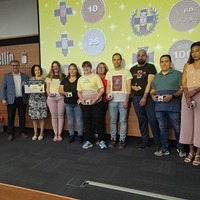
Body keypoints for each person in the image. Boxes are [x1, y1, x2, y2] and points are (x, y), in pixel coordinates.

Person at [150, 54, 186, 157]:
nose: (164, 63)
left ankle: (181, 148)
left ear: (170, 63)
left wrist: (173, 95)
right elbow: (153, 90)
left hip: (173, 106)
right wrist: (152, 96)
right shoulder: (156, 77)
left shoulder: (178, 74)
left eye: (166, 61)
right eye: (162, 61)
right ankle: (164, 148)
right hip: (159, 107)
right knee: (162, 128)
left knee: (177, 128)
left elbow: (182, 89)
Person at [130, 49, 160, 149]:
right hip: (136, 97)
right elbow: (129, 84)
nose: (140, 57)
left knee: (153, 119)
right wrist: (132, 87)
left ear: (146, 57)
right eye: (138, 55)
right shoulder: (132, 69)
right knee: (142, 120)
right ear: (136, 57)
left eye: (143, 55)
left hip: (148, 97)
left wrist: (144, 97)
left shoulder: (150, 67)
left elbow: (150, 83)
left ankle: (157, 142)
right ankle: (145, 141)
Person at [77, 61, 106, 149]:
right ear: (82, 68)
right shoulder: (80, 79)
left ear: (90, 68)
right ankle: (89, 141)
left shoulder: (95, 77)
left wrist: (96, 99)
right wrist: (82, 100)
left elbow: (102, 89)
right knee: (87, 122)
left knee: (98, 121)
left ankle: (101, 140)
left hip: (96, 103)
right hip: (85, 104)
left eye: (88, 66)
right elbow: (79, 92)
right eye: (84, 66)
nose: (86, 68)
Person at [106, 53, 132, 149]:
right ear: (112, 61)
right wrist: (107, 95)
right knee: (113, 121)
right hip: (112, 101)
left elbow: (129, 88)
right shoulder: (109, 73)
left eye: (118, 59)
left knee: (123, 121)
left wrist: (126, 100)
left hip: (123, 101)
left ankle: (122, 140)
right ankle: (113, 139)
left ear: (121, 60)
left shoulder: (127, 72)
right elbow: (108, 86)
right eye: (114, 59)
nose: (116, 61)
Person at [180, 41, 200, 166]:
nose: (194, 53)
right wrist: (187, 95)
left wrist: (195, 91)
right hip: (187, 96)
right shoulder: (187, 65)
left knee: (199, 125)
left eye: (197, 50)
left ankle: (198, 153)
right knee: (188, 124)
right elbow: (184, 82)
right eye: (192, 51)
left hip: (198, 94)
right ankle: (191, 151)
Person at [1, 59, 29, 140]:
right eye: (13, 65)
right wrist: (3, 99)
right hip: (11, 100)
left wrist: (28, 98)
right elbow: (3, 88)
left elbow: (28, 88)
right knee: (10, 117)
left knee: (22, 116)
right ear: (10, 67)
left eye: (16, 65)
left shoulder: (25, 76)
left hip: (22, 99)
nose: (15, 67)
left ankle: (22, 132)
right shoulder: (7, 76)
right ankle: (10, 134)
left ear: (19, 66)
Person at [59, 63, 84, 143]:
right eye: (70, 69)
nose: (72, 71)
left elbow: (83, 90)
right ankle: (71, 135)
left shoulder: (80, 79)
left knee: (79, 120)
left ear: (76, 70)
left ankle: (80, 135)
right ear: (68, 70)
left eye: (73, 69)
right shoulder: (64, 80)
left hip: (78, 103)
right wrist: (65, 93)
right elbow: (60, 90)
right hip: (68, 103)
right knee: (70, 120)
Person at [46, 61, 66, 142]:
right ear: (52, 67)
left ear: (59, 67)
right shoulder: (48, 76)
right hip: (51, 99)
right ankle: (55, 134)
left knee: (60, 116)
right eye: (54, 66)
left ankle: (59, 134)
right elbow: (47, 87)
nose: (55, 67)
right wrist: (49, 93)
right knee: (54, 116)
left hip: (61, 98)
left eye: (57, 66)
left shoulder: (64, 76)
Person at [28, 65, 47, 141]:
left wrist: (43, 92)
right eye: (35, 70)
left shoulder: (44, 79)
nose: (37, 71)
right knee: (34, 118)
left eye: (38, 70)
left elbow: (47, 89)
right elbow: (28, 89)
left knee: (41, 117)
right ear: (33, 71)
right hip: (33, 100)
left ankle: (41, 133)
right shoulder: (31, 79)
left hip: (42, 100)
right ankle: (35, 133)